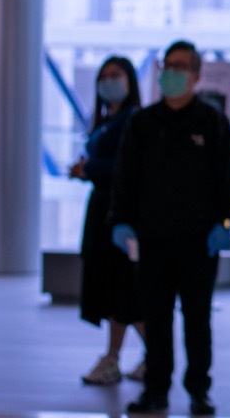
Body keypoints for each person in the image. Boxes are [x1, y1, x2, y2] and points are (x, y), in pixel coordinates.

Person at [110, 40, 230, 417]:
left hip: (200, 243)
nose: (172, 72)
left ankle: (199, 390)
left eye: (181, 65)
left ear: (197, 75)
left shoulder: (212, 122)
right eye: (168, 65)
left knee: (197, 319)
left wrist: (225, 222)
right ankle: (156, 389)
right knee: (156, 318)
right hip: (151, 241)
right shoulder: (142, 122)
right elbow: (125, 178)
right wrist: (119, 220)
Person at [69, 56, 146, 385]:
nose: (109, 81)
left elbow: (128, 169)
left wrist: (90, 170)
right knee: (117, 291)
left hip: (121, 216)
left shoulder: (133, 120)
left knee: (123, 290)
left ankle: (134, 356)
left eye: (117, 75)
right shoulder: (105, 120)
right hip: (102, 210)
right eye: (105, 76)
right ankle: (136, 355)